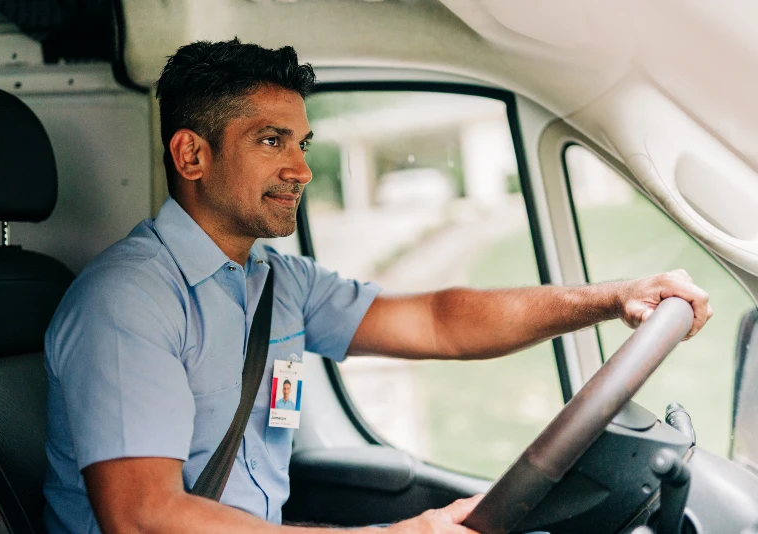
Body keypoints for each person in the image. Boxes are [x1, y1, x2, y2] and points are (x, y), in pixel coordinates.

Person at [42, 39, 713, 534]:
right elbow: (142, 516)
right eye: (273, 141)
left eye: (304, 143)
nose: (302, 170)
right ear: (192, 155)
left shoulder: (277, 280)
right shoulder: (128, 300)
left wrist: (614, 298)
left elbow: (441, 322)